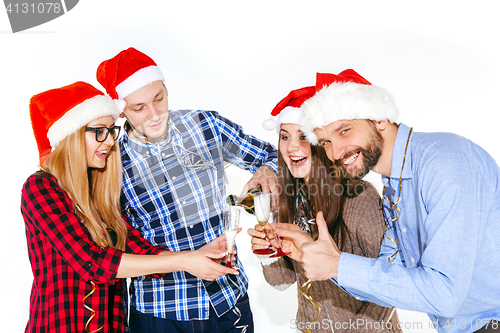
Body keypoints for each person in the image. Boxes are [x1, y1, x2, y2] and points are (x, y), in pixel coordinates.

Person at [279, 70, 500, 333]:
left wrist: (338, 264)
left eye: (345, 130)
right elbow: (386, 275)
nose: (336, 152)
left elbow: (445, 295)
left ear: (380, 118)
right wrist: (317, 254)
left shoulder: (444, 161)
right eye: (326, 141)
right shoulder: (394, 186)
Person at [22, 82, 231, 333]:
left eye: (112, 130)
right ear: (73, 136)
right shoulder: (41, 188)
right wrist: (184, 262)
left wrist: (197, 255)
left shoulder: (101, 194)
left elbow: (140, 250)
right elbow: (91, 262)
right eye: (99, 131)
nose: (110, 141)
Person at [96, 47, 278, 333]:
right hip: (159, 312)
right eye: (139, 108)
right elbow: (117, 244)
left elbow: (273, 156)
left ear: (166, 88)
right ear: (121, 110)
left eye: (159, 98)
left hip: (227, 300)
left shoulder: (206, 126)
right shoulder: (111, 162)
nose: (155, 115)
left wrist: (267, 171)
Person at [248, 86, 402, 332]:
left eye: (302, 137)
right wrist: (265, 253)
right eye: (285, 137)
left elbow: (391, 283)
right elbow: (282, 281)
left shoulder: (359, 197)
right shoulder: (288, 199)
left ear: (321, 142)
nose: (291, 147)